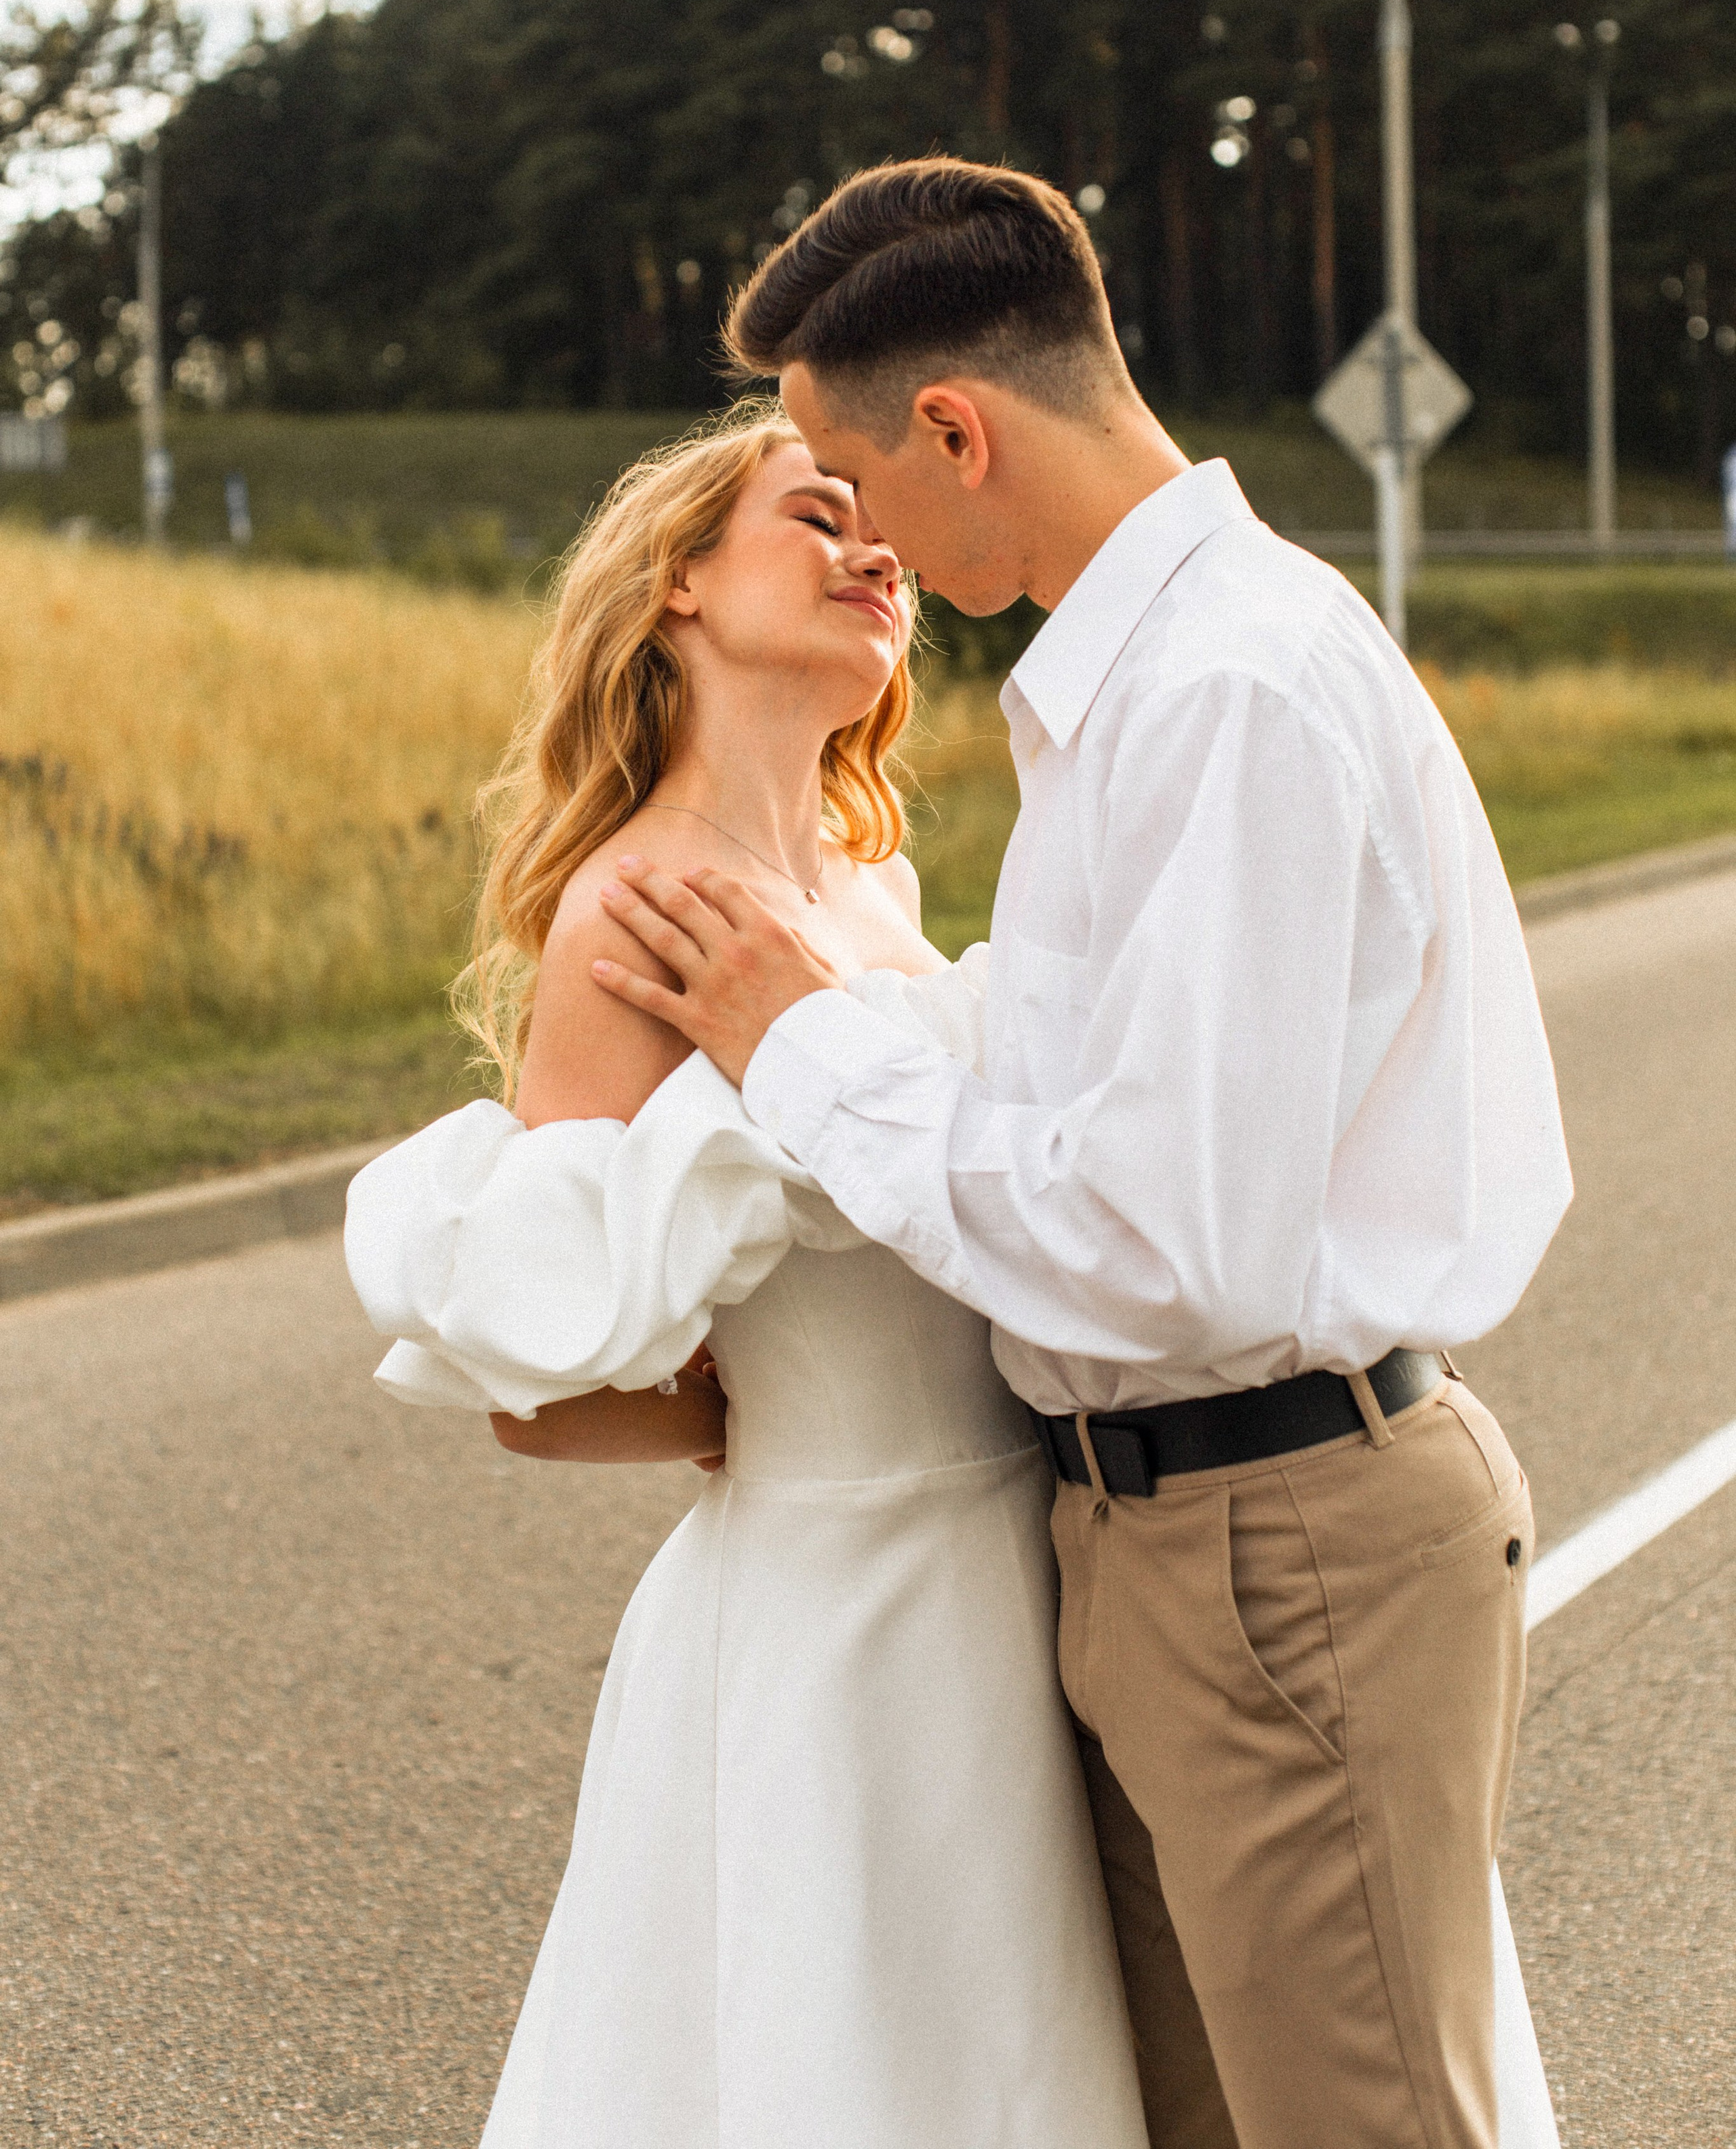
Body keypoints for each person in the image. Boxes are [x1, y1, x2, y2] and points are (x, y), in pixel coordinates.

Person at [590, 157, 1573, 2149]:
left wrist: (802, 1050)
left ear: (956, 431)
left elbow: (1166, 1241)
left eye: (851, 478)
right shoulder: (1141, 695)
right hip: (1163, 1538)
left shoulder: (1224, 693)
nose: (860, 536)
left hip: (1278, 1542)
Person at [344, 411, 1156, 2149]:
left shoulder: (873, 891)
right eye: (815, 515)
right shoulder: (633, 911)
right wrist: (761, 1423)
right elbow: (540, 1387)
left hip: (1017, 1567)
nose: (877, 552)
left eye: (881, 530)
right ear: (681, 587)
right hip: (836, 1615)